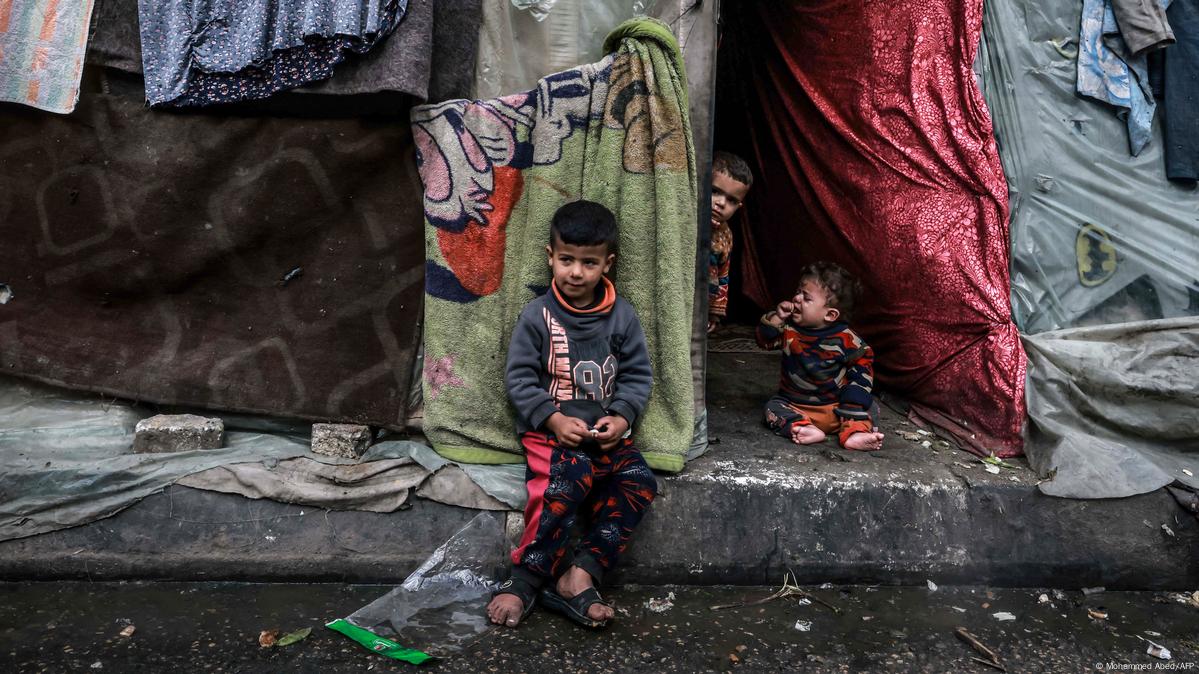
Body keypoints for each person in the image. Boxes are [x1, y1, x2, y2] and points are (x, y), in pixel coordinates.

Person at [486, 200, 658, 629]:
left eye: (588, 262)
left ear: (607, 264)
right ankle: (525, 577)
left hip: (605, 437)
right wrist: (553, 419)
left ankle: (581, 573)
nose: (576, 272)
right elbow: (520, 380)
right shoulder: (537, 316)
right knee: (570, 477)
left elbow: (638, 376)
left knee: (639, 481)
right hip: (552, 436)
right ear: (551, 257)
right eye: (566, 260)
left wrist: (620, 418)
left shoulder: (622, 316)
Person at [756, 261, 885, 451]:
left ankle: (855, 433)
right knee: (772, 407)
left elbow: (863, 368)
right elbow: (764, 341)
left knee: (870, 407)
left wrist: (853, 402)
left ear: (831, 315)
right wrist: (778, 317)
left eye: (806, 298)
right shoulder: (789, 330)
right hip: (795, 405)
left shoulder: (848, 340)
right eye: (798, 292)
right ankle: (802, 427)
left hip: (837, 407)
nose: (796, 298)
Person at [707, 151, 753, 333]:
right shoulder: (687, 218)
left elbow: (723, 274)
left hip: (704, 303)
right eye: (715, 191)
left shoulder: (725, 235)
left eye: (731, 200)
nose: (721, 203)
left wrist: (714, 313)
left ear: (739, 206)